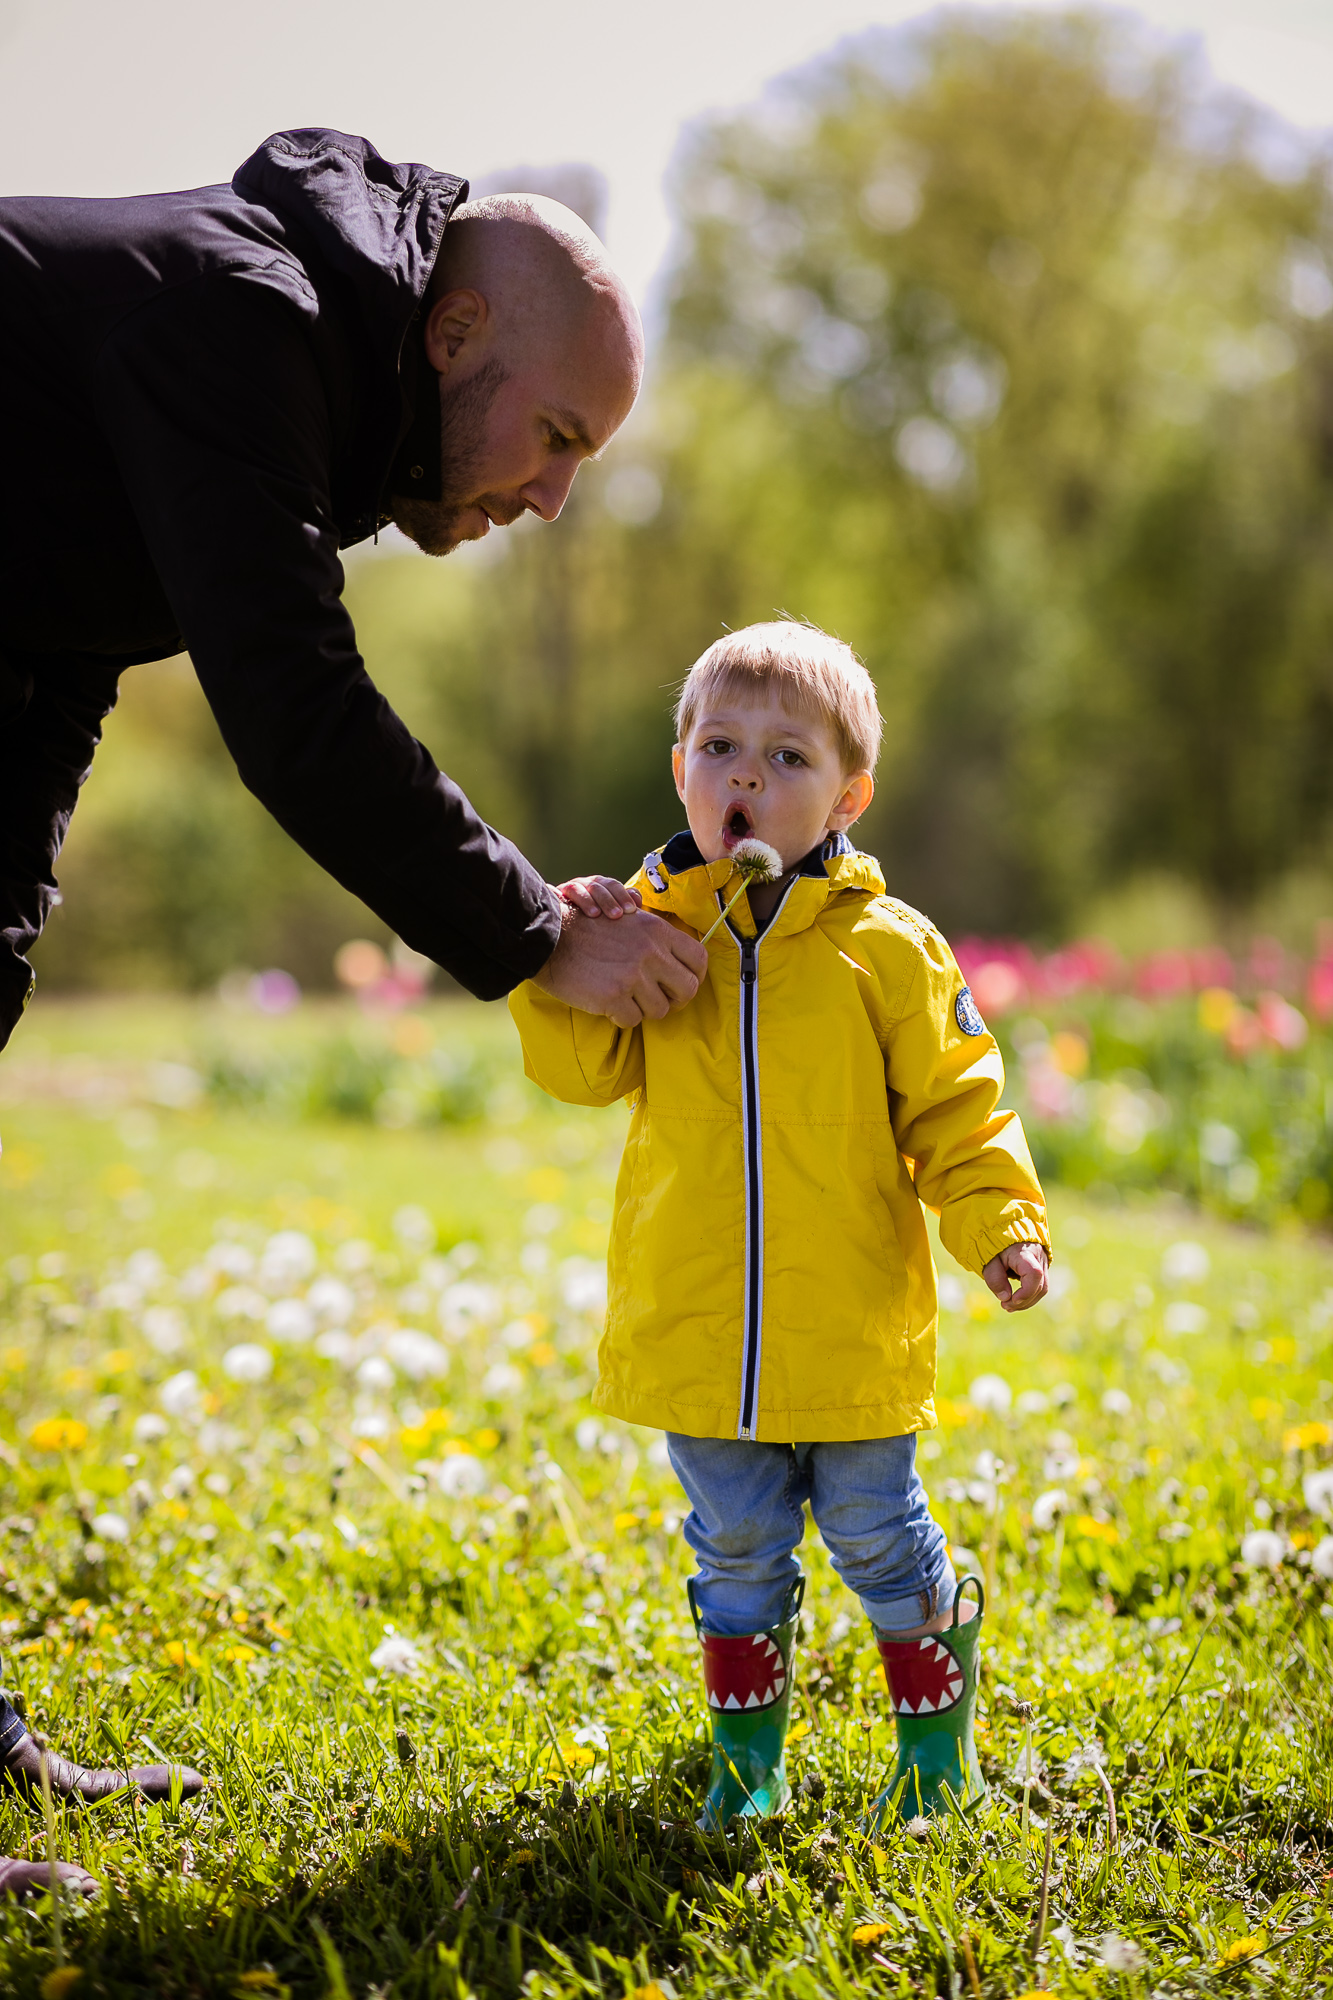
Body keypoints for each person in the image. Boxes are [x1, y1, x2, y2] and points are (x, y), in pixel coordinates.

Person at [0, 126, 708, 1892]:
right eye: (555, 439)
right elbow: (292, 705)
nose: (552, 498)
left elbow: (57, 622)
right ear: (454, 337)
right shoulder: (243, 323)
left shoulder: (283, 359)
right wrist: (533, 924)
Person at [509, 621, 1051, 1829]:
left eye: (788, 757)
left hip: (849, 1325)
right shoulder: (648, 928)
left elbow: (960, 1108)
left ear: (848, 795)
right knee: (738, 1550)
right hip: (697, 1329)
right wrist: (558, 953)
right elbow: (582, 1070)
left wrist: (1000, 1220)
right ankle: (748, 1767)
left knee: (873, 1532)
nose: (747, 775)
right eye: (721, 746)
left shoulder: (886, 950)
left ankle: (930, 1748)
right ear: (679, 772)